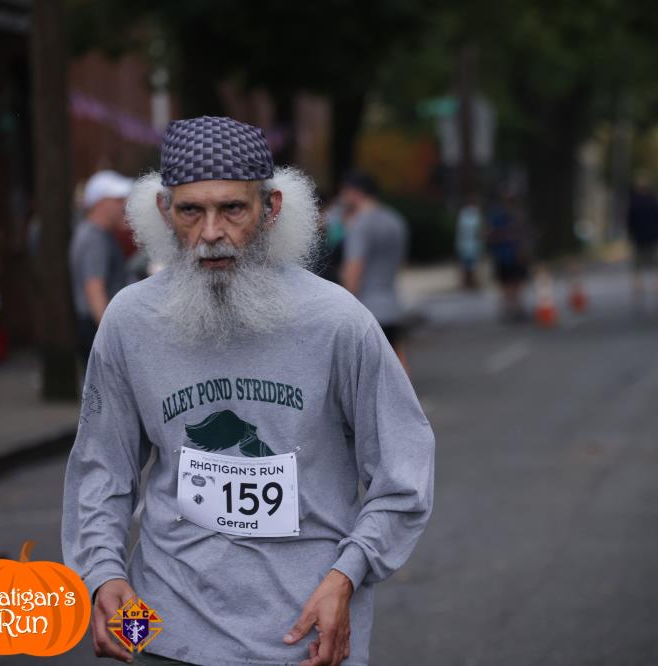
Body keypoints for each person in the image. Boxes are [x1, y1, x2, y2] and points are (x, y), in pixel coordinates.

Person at [61, 116, 434, 666]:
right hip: (158, 630)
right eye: (191, 211)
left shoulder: (337, 321)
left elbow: (403, 475)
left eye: (233, 209)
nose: (211, 232)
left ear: (270, 208)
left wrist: (347, 575)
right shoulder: (129, 320)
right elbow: (101, 468)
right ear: (164, 212)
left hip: (306, 635)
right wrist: (102, 573)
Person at [338, 171, 409, 369]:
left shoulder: (360, 224)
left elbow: (354, 270)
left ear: (355, 192)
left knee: (368, 370)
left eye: (345, 192)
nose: (342, 197)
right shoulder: (395, 219)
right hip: (392, 303)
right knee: (397, 364)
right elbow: (401, 262)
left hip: (367, 307)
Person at [70, 170, 133, 361]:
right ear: (100, 203)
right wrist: (111, 337)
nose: (124, 205)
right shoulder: (94, 238)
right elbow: (94, 289)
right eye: (118, 200)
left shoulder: (98, 234)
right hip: (96, 326)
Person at [485, 188, 530, 321]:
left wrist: (524, 250)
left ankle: (517, 308)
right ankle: (509, 309)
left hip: (516, 255)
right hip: (503, 255)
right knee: (506, 283)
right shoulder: (497, 216)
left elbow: (523, 236)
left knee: (517, 282)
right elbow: (490, 235)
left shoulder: (518, 215)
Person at [625, 174, 658, 311]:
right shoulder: (654, 201)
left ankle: (639, 290)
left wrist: (631, 237)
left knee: (637, 268)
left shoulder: (634, 203)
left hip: (639, 239)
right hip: (653, 238)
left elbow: (629, 223)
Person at [455, 194, 482, 289]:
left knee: (470, 266)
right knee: (469, 266)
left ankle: (469, 283)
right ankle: (469, 283)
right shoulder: (471, 213)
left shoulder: (467, 213)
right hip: (468, 245)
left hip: (469, 245)